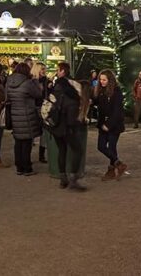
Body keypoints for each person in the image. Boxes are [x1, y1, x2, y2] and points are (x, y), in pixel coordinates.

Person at [50, 62, 87, 190]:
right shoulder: (72, 91)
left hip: (55, 125)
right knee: (78, 150)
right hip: (67, 126)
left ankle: (62, 179)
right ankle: (73, 179)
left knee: (62, 150)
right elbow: (73, 110)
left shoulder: (55, 88)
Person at [5, 62, 42, 175]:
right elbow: (38, 94)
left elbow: (7, 97)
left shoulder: (9, 82)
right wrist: (35, 81)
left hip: (15, 114)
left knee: (18, 142)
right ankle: (27, 168)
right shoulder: (28, 83)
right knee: (27, 142)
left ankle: (19, 167)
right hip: (27, 115)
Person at [94, 69, 127, 180]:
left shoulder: (116, 92)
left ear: (110, 80)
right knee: (101, 146)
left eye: (104, 80)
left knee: (112, 147)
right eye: (100, 79)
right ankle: (118, 164)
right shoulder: (100, 91)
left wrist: (109, 124)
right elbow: (97, 102)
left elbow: (117, 111)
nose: (102, 82)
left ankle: (111, 170)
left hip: (114, 125)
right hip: (103, 123)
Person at [31, 63, 49, 163]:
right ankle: (27, 154)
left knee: (44, 132)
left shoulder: (45, 80)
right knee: (32, 131)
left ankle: (41, 155)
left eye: (44, 69)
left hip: (43, 107)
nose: (44, 71)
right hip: (34, 107)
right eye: (42, 69)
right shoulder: (32, 81)